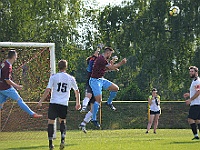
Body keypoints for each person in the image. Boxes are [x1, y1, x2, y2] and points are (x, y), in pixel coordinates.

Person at [38, 60, 81, 150]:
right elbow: (77, 91)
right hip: (63, 104)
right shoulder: (70, 78)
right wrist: (78, 103)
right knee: (62, 121)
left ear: (58, 66)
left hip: (54, 103)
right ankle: (62, 140)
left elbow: (48, 90)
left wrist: (41, 100)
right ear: (66, 67)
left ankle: (50, 144)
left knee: (50, 122)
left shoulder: (54, 77)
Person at [89, 47, 127, 128]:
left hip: (101, 79)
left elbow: (105, 69)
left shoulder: (103, 59)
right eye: (110, 54)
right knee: (99, 100)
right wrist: (121, 63)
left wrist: (113, 67)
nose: (111, 55)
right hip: (95, 81)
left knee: (115, 88)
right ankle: (93, 119)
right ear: (107, 53)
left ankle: (109, 102)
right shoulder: (101, 59)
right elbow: (110, 67)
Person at [0, 50, 42, 118]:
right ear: (14, 56)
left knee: (0, 105)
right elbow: (7, 80)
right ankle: (32, 114)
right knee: (19, 100)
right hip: (7, 88)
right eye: (16, 56)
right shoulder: (8, 66)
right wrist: (17, 86)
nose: (16, 57)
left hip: (1, 88)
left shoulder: (4, 63)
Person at [79, 48, 100, 133]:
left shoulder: (97, 68)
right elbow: (94, 57)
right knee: (89, 95)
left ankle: (83, 124)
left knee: (93, 109)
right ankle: (83, 108)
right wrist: (98, 49)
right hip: (90, 85)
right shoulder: (90, 66)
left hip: (95, 87)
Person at [184, 66, 200, 140]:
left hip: (196, 104)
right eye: (190, 71)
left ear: (196, 72)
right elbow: (195, 91)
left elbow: (198, 92)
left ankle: (196, 135)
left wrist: (190, 99)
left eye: (192, 71)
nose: (190, 73)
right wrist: (189, 94)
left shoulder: (197, 81)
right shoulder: (194, 81)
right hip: (196, 103)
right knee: (197, 120)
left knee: (190, 119)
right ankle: (196, 135)